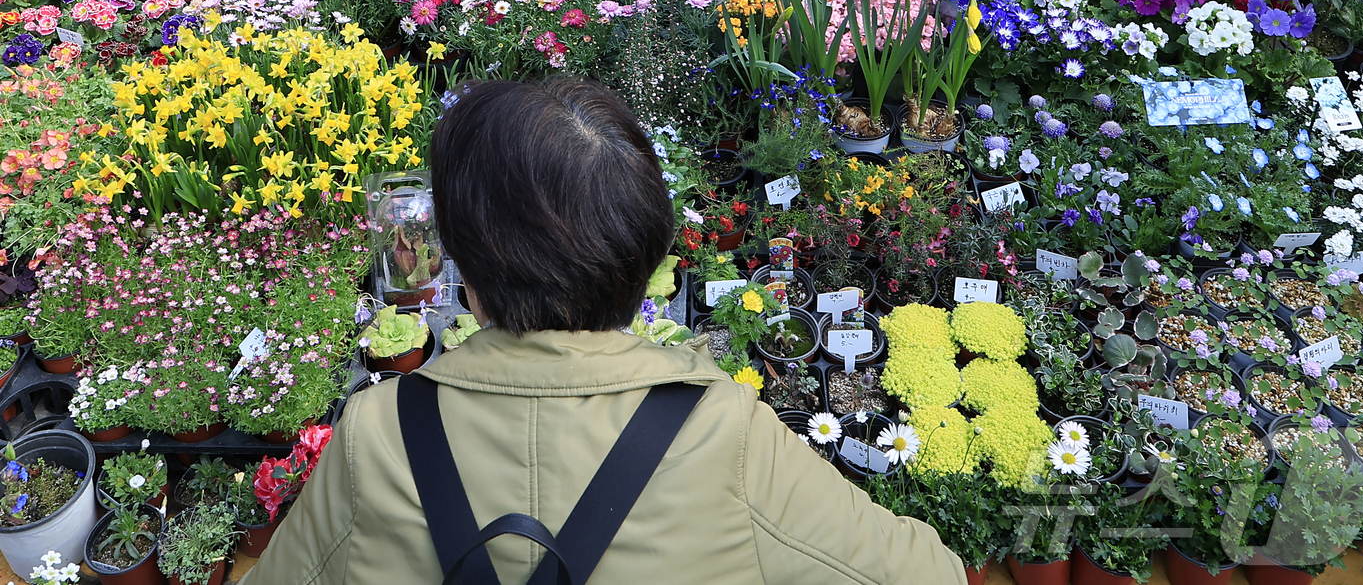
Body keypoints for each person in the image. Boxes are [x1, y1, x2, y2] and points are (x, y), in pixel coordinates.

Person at [244, 77, 964, 585]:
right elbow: (928, 574)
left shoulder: (379, 432)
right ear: (644, 256)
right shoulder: (723, 430)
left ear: (469, 270)